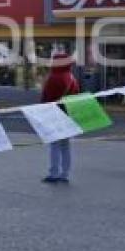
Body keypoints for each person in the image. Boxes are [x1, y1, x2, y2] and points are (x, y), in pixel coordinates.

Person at [41, 53, 80, 184]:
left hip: (55, 114)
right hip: (69, 114)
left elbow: (46, 97)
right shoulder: (71, 77)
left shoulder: (53, 77)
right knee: (65, 146)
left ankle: (54, 173)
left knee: (54, 145)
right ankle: (65, 174)